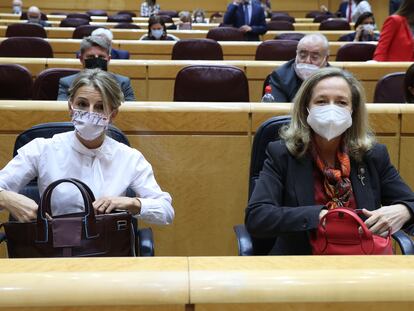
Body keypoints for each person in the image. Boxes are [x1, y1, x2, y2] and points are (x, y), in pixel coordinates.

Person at [245, 67, 414, 255]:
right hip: (303, 264)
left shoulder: (372, 154)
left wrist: (405, 210)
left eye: (341, 102)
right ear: (306, 108)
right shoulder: (282, 154)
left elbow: (409, 202)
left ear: (353, 110)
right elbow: (257, 217)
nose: (331, 109)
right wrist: (320, 216)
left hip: (364, 263)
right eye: (321, 101)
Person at [0, 69, 174, 225]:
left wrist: (131, 203)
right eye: (82, 104)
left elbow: (166, 211)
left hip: (106, 250)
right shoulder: (42, 149)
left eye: (100, 107)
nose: (90, 113)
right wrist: (7, 198)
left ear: (112, 115)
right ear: (70, 107)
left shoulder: (129, 157)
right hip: (52, 249)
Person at [58, 35, 135, 101]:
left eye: (101, 57)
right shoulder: (67, 83)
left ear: (108, 59)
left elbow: (130, 113)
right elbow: (62, 112)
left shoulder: (123, 83)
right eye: (90, 57)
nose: (96, 60)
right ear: (81, 59)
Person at [268, 33, 329, 102]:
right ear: (297, 54)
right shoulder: (280, 76)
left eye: (314, 57)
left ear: (326, 59)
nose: (307, 61)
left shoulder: (336, 79)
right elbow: (277, 110)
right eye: (303, 55)